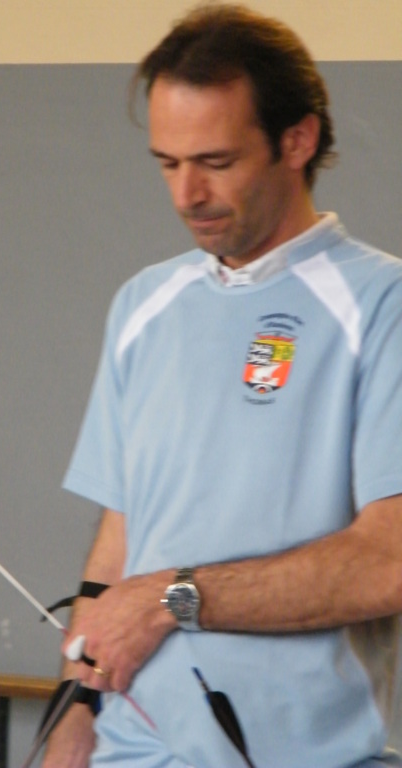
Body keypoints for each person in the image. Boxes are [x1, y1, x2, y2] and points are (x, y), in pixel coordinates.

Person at [42, 4, 402, 767]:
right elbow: (119, 541)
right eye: (167, 163)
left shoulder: (381, 306)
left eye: (215, 161)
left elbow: (390, 562)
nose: (187, 194)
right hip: (129, 753)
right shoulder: (144, 304)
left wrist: (171, 601)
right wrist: (73, 720)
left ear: (296, 141)